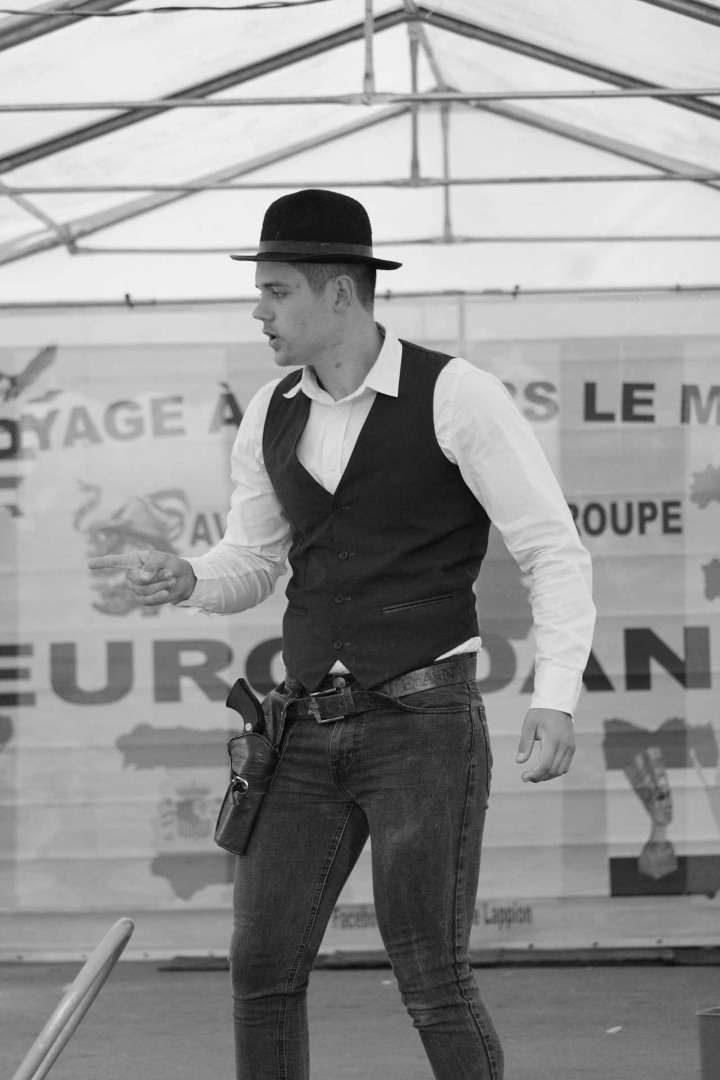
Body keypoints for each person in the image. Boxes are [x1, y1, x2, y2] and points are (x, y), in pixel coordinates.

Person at [89, 189, 596, 1080]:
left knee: (432, 977)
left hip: (424, 722)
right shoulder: (271, 409)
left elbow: (552, 550)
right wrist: (189, 578)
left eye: (275, 291)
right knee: (261, 969)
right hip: (302, 723)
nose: (259, 311)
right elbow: (254, 558)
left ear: (339, 294)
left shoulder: (457, 394)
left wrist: (555, 695)